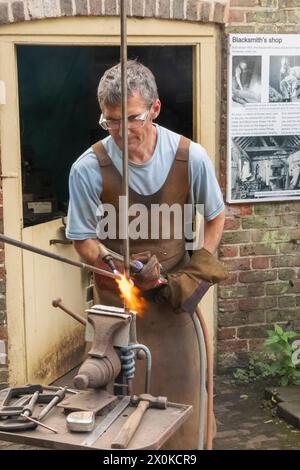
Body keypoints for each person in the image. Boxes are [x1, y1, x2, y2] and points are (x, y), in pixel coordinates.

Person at [66, 60, 227, 449]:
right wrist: (113, 266)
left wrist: (196, 271)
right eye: (110, 122)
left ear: (154, 109)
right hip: (116, 315)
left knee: (187, 407)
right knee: (114, 413)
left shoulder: (190, 158)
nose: (121, 132)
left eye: (131, 119)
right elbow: (83, 240)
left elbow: (216, 215)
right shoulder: (88, 169)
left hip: (174, 308)